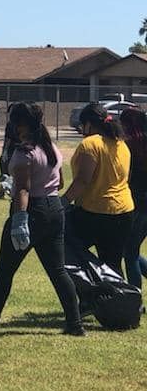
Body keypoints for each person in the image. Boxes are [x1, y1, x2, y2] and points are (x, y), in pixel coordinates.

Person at [0, 102, 83, 335]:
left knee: (5, 270)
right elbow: (59, 182)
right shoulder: (51, 147)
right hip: (54, 209)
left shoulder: (24, 153)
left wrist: (20, 220)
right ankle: (75, 324)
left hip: (31, 210)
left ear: (20, 124)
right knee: (58, 271)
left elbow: (22, 189)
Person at [62, 103, 134, 275]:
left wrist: (63, 201)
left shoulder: (90, 144)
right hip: (124, 210)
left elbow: (83, 180)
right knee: (113, 266)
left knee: (64, 246)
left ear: (88, 123)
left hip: (97, 211)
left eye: (82, 125)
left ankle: (91, 284)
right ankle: (123, 300)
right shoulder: (121, 143)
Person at [120, 108, 147, 289]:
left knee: (129, 252)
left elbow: (125, 177)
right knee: (131, 249)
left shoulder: (129, 145)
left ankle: (135, 298)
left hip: (138, 202)